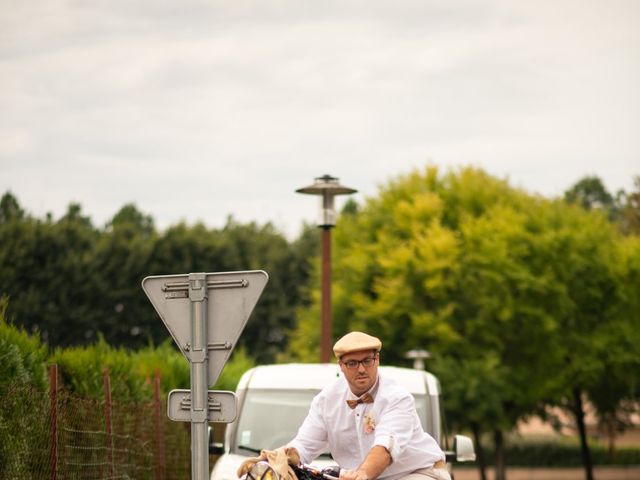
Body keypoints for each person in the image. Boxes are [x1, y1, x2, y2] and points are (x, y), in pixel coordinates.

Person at [287, 331, 450, 480]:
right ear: (341, 366)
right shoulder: (326, 400)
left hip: (419, 472)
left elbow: (385, 447)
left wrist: (362, 474)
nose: (361, 369)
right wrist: (282, 457)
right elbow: (303, 445)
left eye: (367, 361)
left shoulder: (397, 397)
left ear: (377, 359)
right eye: (352, 363)